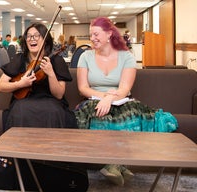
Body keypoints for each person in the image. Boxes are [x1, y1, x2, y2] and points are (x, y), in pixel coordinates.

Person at [74, 17, 177, 186]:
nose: (92, 38)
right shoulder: (85, 56)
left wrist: (110, 98)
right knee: (101, 113)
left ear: (109, 34)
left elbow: (124, 89)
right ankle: (116, 164)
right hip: (93, 99)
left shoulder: (127, 56)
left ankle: (115, 164)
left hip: (120, 99)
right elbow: (83, 88)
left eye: (96, 34)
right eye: (90, 34)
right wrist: (103, 97)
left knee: (131, 113)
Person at [0, 22, 77, 132]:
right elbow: (0, 86)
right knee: (20, 109)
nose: (31, 39)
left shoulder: (56, 60)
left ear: (45, 39)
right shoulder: (20, 59)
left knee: (53, 111)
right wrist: (20, 84)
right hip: (24, 101)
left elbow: (59, 95)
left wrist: (51, 73)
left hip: (51, 101)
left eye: (36, 35)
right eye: (28, 36)